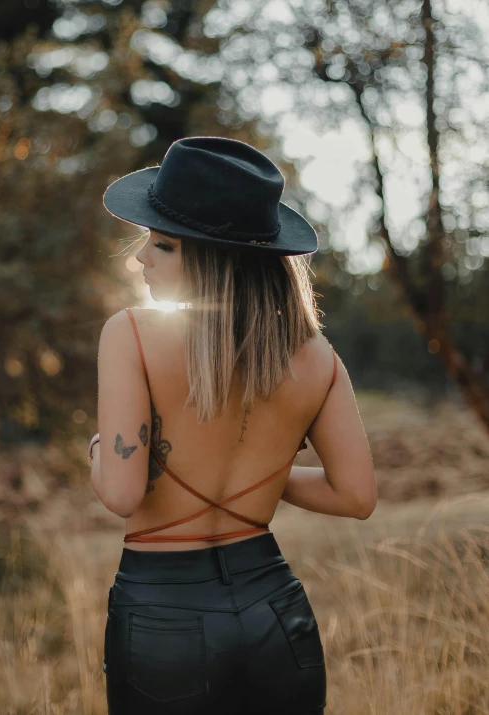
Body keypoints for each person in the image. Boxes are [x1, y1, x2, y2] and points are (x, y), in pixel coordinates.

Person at [89, 136, 377, 714]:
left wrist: (100, 450)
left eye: (162, 245)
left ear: (212, 258)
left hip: (163, 618)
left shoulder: (131, 335)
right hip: (276, 611)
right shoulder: (318, 357)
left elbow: (121, 491)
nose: (139, 258)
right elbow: (356, 496)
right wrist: (268, 475)